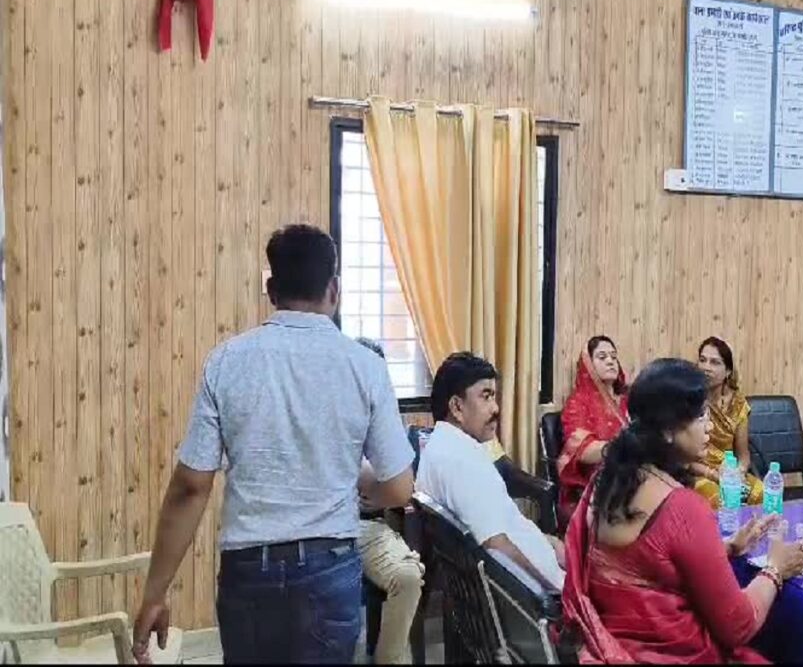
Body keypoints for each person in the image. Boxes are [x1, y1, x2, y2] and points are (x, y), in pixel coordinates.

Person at [132, 225, 415, 665]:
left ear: (271, 289)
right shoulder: (366, 367)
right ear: (334, 289)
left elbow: (191, 486)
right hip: (329, 568)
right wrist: (358, 488)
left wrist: (155, 592)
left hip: (250, 573)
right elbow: (399, 488)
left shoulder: (227, 361)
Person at [561, 358, 803, 663]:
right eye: (701, 416)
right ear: (667, 430)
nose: (710, 426)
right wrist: (775, 569)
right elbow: (739, 625)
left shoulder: (606, 481)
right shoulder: (681, 507)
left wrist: (725, 548)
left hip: (611, 649)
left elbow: (647, 564)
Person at [416, 352, 565, 590]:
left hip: (540, 570)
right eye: (486, 397)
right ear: (457, 406)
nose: (496, 408)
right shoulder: (461, 462)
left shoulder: (442, 446)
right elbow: (496, 546)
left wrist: (547, 543)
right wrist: (558, 592)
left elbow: (500, 525)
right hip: (539, 602)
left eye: (494, 397)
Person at [354, 337, 425, 665]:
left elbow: (397, 484)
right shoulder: (328, 407)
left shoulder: (385, 416)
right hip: (322, 524)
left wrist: (377, 494)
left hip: (369, 526)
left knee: (409, 577)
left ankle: (388, 658)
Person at [557, 335, 629, 526]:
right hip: (596, 482)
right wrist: (625, 446)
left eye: (614, 357)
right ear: (588, 364)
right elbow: (582, 452)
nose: (610, 361)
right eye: (602, 356)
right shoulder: (578, 403)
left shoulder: (629, 401)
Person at [693, 337, 764, 506]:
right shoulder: (690, 399)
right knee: (720, 499)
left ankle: (754, 532)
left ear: (728, 372)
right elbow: (682, 458)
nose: (706, 368)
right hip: (697, 471)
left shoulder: (738, 404)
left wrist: (737, 474)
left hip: (728, 471)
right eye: (702, 360)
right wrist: (714, 475)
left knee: (761, 493)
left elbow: (743, 455)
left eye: (714, 362)